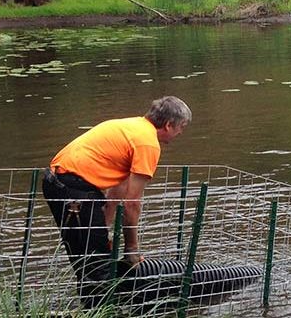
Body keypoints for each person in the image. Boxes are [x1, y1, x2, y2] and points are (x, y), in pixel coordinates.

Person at [41, 96, 191, 291]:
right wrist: (132, 250)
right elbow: (132, 203)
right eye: (182, 127)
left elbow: (119, 188)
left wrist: (104, 228)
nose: (181, 132)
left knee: (87, 260)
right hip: (74, 189)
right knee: (98, 270)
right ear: (169, 125)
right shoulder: (148, 143)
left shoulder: (133, 127)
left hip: (59, 183)